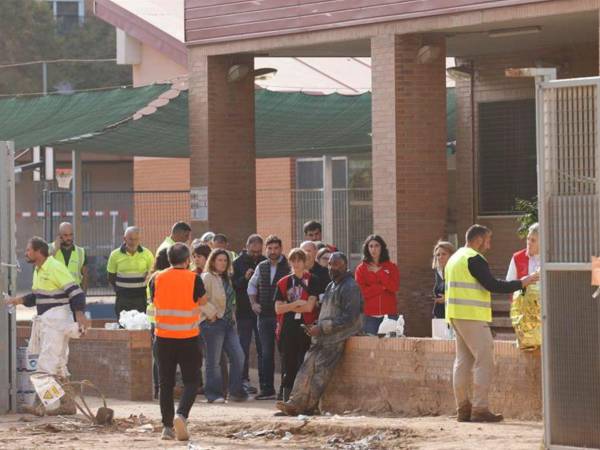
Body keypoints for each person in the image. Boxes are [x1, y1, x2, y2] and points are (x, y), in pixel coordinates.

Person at [445, 224, 539, 423]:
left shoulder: (455, 258)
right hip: (472, 316)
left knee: (462, 362)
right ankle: (480, 408)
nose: (489, 245)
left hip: (456, 315)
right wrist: (523, 282)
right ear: (478, 239)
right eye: (487, 240)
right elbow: (493, 285)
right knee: (484, 361)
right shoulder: (474, 258)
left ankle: (463, 408)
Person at [5, 237, 89, 416]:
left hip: (56, 322)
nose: (25, 253)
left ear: (38, 252)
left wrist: (80, 316)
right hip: (50, 321)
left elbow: (76, 292)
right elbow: (36, 297)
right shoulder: (39, 270)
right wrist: (16, 301)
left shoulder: (54, 267)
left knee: (45, 365)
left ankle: (41, 405)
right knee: (58, 364)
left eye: (28, 250)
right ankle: (67, 405)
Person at [276, 252, 363, 416]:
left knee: (320, 371)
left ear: (345, 266)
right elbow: (326, 312)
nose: (331, 268)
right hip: (322, 335)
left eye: (336, 264)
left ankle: (309, 406)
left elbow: (350, 318)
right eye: (330, 264)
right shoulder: (331, 286)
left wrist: (322, 328)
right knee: (306, 367)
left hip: (337, 337)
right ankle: (295, 402)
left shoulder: (350, 286)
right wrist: (315, 326)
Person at [149, 243, 207, 441]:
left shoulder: (156, 278)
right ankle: (181, 414)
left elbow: (153, 300)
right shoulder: (194, 278)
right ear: (187, 260)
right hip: (188, 338)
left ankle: (167, 427)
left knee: (166, 384)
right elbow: (203, 301)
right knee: (192, 382)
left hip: (163, 339)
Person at [201, 249, 248, 403]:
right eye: (219, 260)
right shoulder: (207, 277)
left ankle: (235, 392)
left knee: (238, 356)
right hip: (212, 323)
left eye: (225, 260)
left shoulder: (227, 278)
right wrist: (211, 314)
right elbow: (198, 298)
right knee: (213, 361)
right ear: (213, 261)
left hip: (228, 323)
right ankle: (214, 394)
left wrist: (232, 316)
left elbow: (230, 301)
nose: (222, 263)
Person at [248, 235, 289, 400]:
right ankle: (267, 389)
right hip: (264, 316)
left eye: (276, 248)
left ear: (281, 249)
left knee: (285, 352)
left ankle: (285, 390)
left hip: (283, 317)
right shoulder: (261, 266)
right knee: (265, 353)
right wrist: (253, 304)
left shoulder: (288, 266)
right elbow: (251, 285)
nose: (273, 252)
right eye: (270, 248)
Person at [274, 248, 318, 402]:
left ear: (305, 262)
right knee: (288, 364)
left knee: (305, 363)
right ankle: (287, 399)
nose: (297, 263)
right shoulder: (283, 282)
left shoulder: (313, 280)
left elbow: (309, 307)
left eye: (300, 260)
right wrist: (297, 303)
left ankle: (304, 399)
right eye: (293, 260)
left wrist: (290, 305)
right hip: (288, 327)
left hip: (306, 325)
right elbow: (278, 309)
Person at [232, 234, 266, 395]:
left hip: (261, 311)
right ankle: (243, 380)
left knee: (262, 347)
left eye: (258, 252)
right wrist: (245, 278)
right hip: (244, 312)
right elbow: (234, 286)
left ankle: (264, 380)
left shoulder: (264, 261)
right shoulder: (237, 263)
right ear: (246, 248)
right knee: (243, 347)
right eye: (253, 252)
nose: (256, 255)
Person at [355, 235, 400, 335]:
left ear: (382, 248)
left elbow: (394, 287)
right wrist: (382, 287)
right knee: (370, 347)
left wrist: (379, 272)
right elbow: (362, 292)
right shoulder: (361, 269)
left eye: (376, 246)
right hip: (370, 316)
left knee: (390, 347)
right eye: (370, 246)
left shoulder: (391, 267)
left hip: (389, 315)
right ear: (367, 248)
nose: (373, 249)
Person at [107, 226, 154, 317]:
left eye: (136, 239)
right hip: (123, 298)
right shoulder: (115, 255)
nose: (133, 242)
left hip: (140, 298)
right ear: (124, 239)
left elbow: (152, 274)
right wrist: (118, 290)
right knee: (123, 326)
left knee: (141, 325)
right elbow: (111, 276)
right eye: (131, 239)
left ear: (139, 239)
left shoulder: (147, 254)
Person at [146, 248, 171, 399]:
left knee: (158, 358)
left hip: (153, 320)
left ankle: (158, 388)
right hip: (162, 320)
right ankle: (163, 387)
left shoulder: (152, 277)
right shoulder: (161, 277)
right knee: (164, 358)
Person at [50, 222, 88, 291]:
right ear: (59, 236)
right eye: (65, 235)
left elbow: (85, 276)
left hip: (74, 294)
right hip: (55, 293)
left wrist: (83, 295)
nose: (69, 238)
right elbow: (43, 265)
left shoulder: (81, 252)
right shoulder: (49, 248)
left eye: (71, 235)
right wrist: (55, 249)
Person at [431, 241, 456, 319]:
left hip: (453, 316)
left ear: (451, 255)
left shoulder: (456, 271)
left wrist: (447, 298)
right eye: (438, 255)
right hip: (439, 316)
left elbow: (462, 292)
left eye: (444, 254)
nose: (440, 257)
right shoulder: (438, 272)